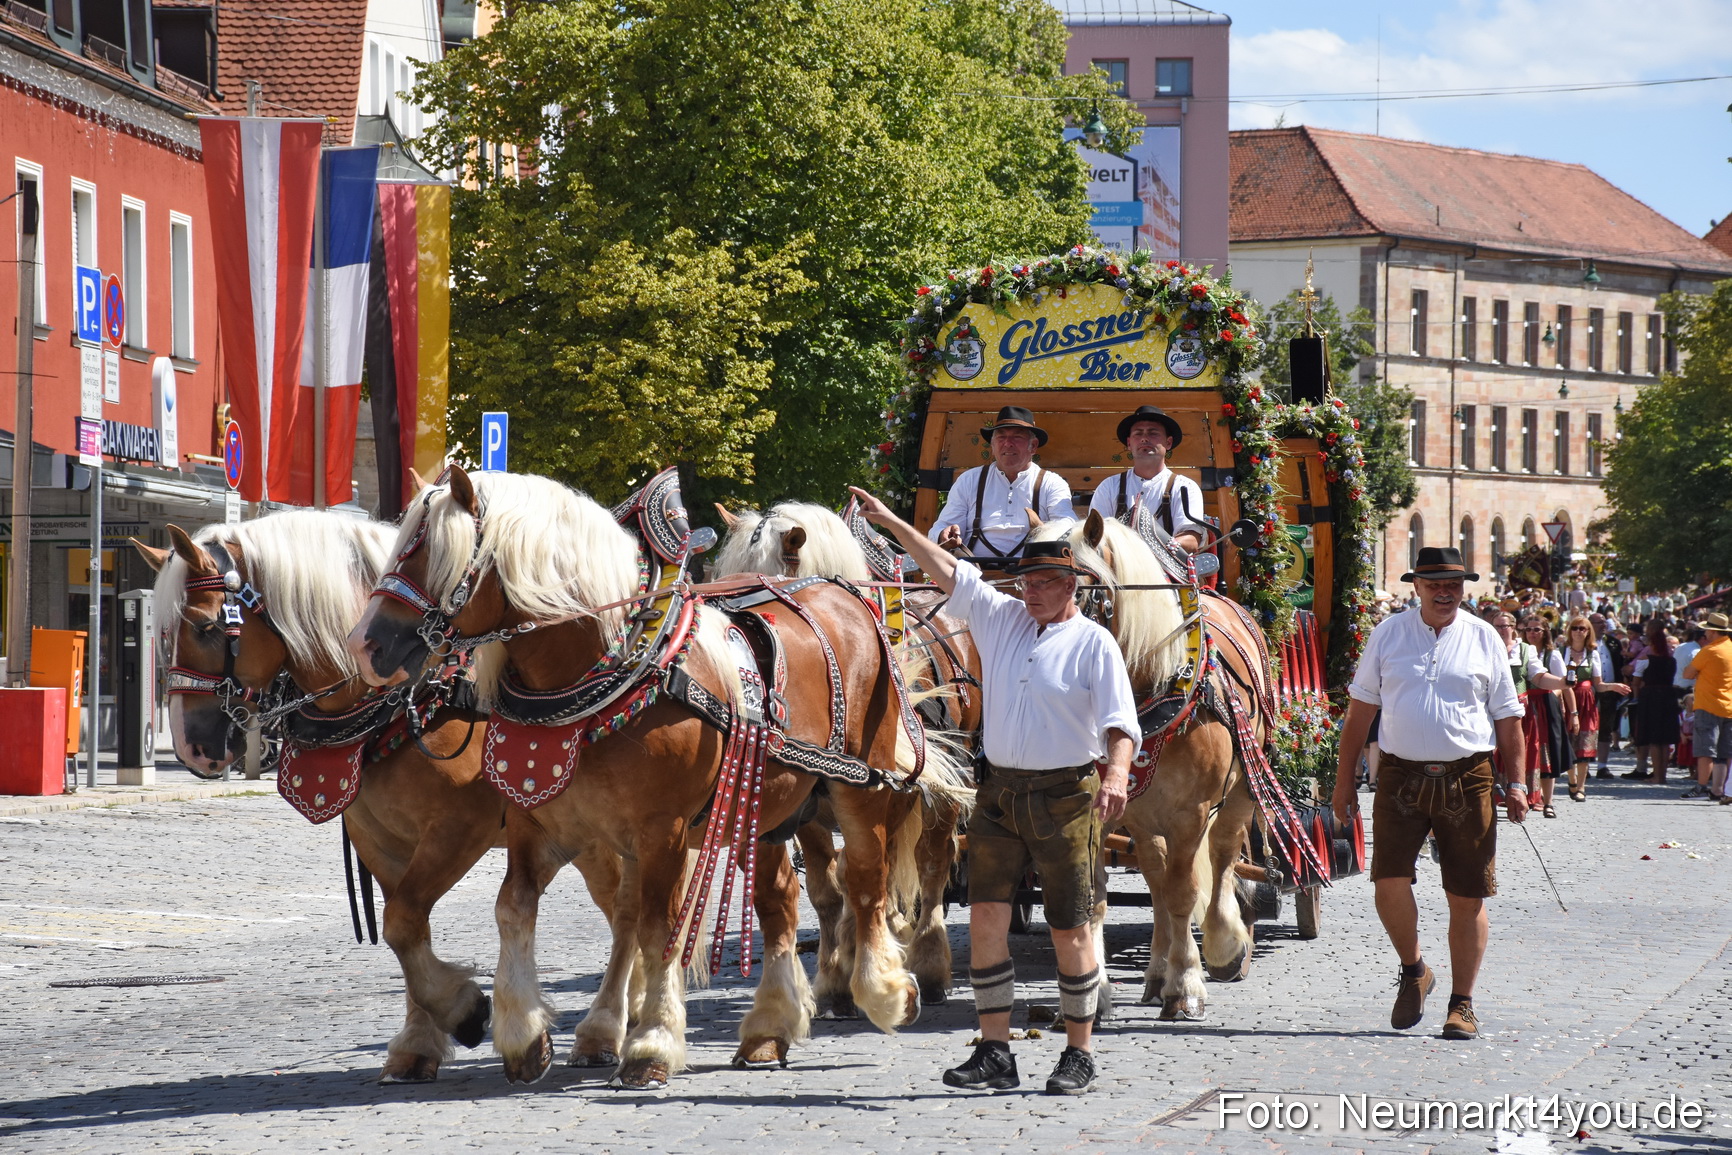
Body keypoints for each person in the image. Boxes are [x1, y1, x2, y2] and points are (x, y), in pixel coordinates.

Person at [851, 485, 1136, 1096]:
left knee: (1071, 928)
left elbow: (1121, 725)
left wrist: (1116, 773)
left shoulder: (1095, 642)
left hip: (1067, 797)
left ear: (1072, 584)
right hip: (999, 795)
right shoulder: (1000, 617)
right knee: (984, 919)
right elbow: (946, 569)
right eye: (1026, 579)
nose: (1029, 589)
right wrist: (893, 522)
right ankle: (995, 1051)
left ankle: (1079, 1053)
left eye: (1043, 581)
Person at [1332, 547, 1529, 1042]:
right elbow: (1359, 712)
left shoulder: (1484, 637)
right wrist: (1343, 782)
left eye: (1454, 585)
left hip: (1470, 777)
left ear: (1464, 588)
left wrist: (1519, 783)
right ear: (1415, 587)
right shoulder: (1388, 633)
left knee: (1467, 893)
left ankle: (1462, 1003)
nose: (1445, 593)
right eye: (1434, 584)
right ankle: (1415, 969)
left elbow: (1508, 717)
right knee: (1388, 882)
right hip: (1400, 776)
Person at [929, 406, 1074, 562]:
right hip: (975, 570)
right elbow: (941, 528)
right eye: (1001, 437)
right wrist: (943, 534)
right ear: (992, 445)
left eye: (1017, 437)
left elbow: (1068, 526)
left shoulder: (1051, 483)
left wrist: (1043, 531)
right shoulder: (969, 480)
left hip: (1033, 571)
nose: (1008, 443)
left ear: (1033, 446)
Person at [1087, 406, 1206, 552]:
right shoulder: (1109, 487)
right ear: (1129, 443)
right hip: (1117, 565)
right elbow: (1096, 537)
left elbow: (1191, 540)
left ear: (1168, 443)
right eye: (1138, 433)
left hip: (1165, 566)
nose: (1144, 438)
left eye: (1153, 433)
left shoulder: (1185, 487)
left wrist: (1144, 551)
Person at [1559, 616, 1629, 802]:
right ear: (1569, 631)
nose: (1578, 631)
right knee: (1567, 743)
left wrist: (1613, 686)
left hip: (1586, 701)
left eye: (1582, 628)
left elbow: (1598, 685)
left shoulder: (1593, 654)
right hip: (1565, 700)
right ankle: (1572, 779)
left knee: (1585, 744)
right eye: (1575, 628)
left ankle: (1581, 786)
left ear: (1588, 631)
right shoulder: (1561, 652)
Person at [1682, 613, 1732, 804]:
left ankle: (1702, 786)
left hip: (1709, 704)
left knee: (1706, 750)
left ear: (1712, 631)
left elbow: (1687, 674)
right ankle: (1721, 789)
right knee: (1725, 753)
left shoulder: (1709, 651)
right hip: (1729, 706)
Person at [1628, 620, 1680, 782]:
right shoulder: (1671, 660)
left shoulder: (1645, 658)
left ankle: (1657, 776)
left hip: (1650, 697)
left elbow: (1636, 681)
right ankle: (1662, 775)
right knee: (1664, 739)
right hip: (1668, 696)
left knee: (1654, 739)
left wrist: (1638, 692)